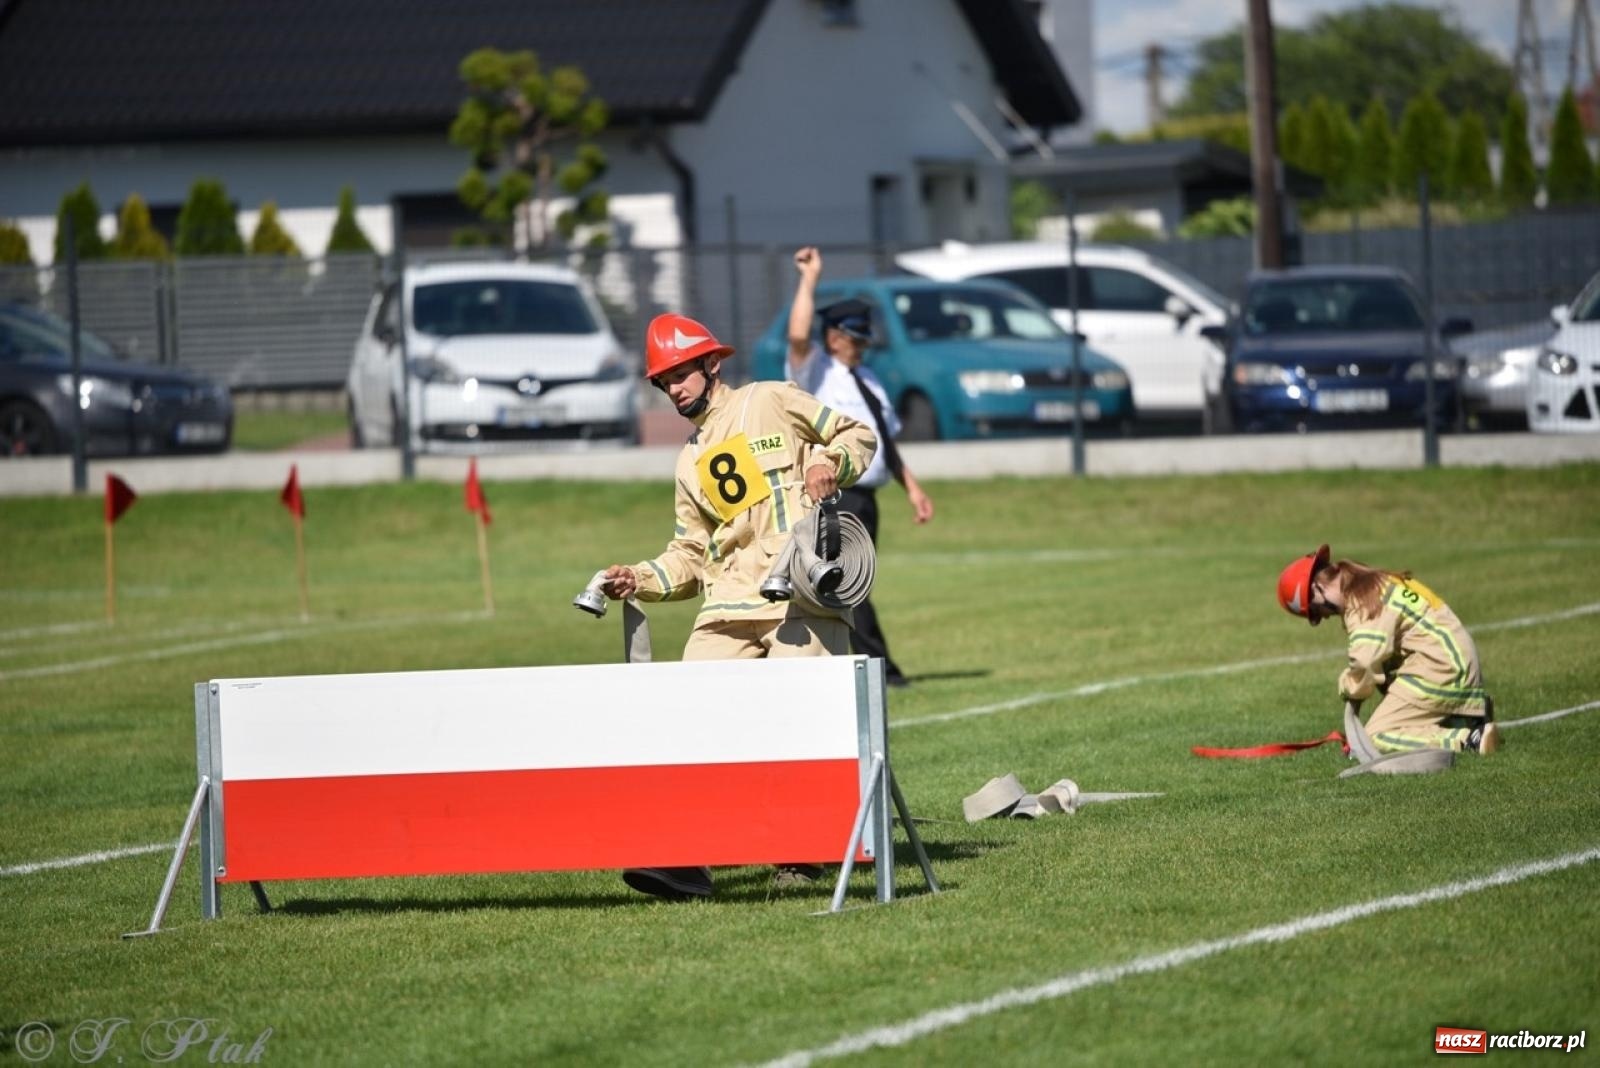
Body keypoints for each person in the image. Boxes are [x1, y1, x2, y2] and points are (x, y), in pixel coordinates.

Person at [596, 311, 878, 901]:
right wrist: (638, 579)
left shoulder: (771, 399)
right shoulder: (687, 463)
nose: (673, 388)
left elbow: (857, 435)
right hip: (726, 608)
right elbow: (689, 556)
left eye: (680, 373)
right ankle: (684, 861)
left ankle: (797, 856)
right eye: (662, 381)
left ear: (711, 364)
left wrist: (831, 464)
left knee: (799, 722)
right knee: (687, 721)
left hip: (798, 597)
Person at [785, 246, 934, 687]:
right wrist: (809, 279)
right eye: (855, 338)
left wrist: (912, 487)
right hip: (833, 494)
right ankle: (877, 668)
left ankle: (849, 666)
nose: (861, 346)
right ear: (833, 336)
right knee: (847, 581)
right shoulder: (815, 371)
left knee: (849, 581)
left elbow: (885, 439)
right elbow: (796, 337)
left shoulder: (867, 379)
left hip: (867, 498)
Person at [1276, 544, 1500, 756]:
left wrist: (1348, 685)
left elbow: (1365, 664)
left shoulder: (1361, 603)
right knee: (1390, 689)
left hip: (1441, 667)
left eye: (1314, 611)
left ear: (1317, 587)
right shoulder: (1376, 583)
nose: (1322, 618)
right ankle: (1466, 718)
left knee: (1373, 737)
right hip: (1454, 658)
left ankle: (1468, 738)